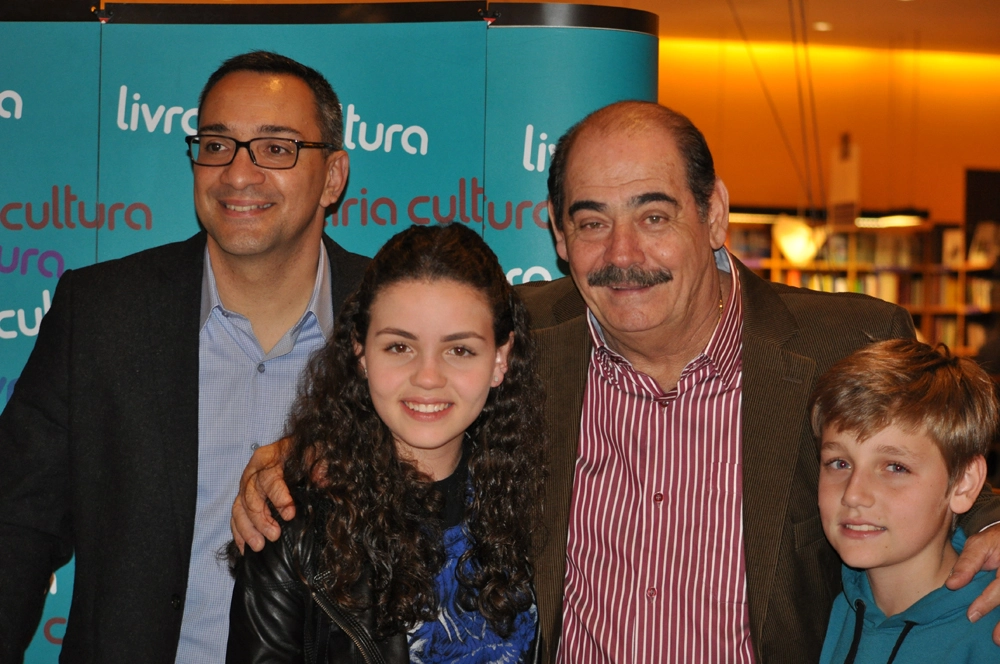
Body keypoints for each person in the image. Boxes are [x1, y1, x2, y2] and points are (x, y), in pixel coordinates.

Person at [232, 101, 1000, 662]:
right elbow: (418, 378)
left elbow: (948, 463)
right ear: (560, 237)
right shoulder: (521, 336)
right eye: (592, 221)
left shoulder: (846, 339)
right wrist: (300, 452)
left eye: (655, 215)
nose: (622, 252)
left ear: (715, 214)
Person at [0, 51, 368, 663]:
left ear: (333, 177)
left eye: (276, 149)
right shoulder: (100, 314)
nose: (238, 174)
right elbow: (15, 524)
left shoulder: (396, 321)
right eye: (217, 145)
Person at [226, 223, 545, 662]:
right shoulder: (292, 527)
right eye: (399, 347)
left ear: (500, 360)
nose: (428, 377)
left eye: (459, 350)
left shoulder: (534, 502)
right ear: (360, 353)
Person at [812, 339, 1000, 663]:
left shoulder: (987, 632)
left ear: (963, 484)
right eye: (839, 463)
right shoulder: (844, 605)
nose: (853, 493)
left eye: (895, 467)